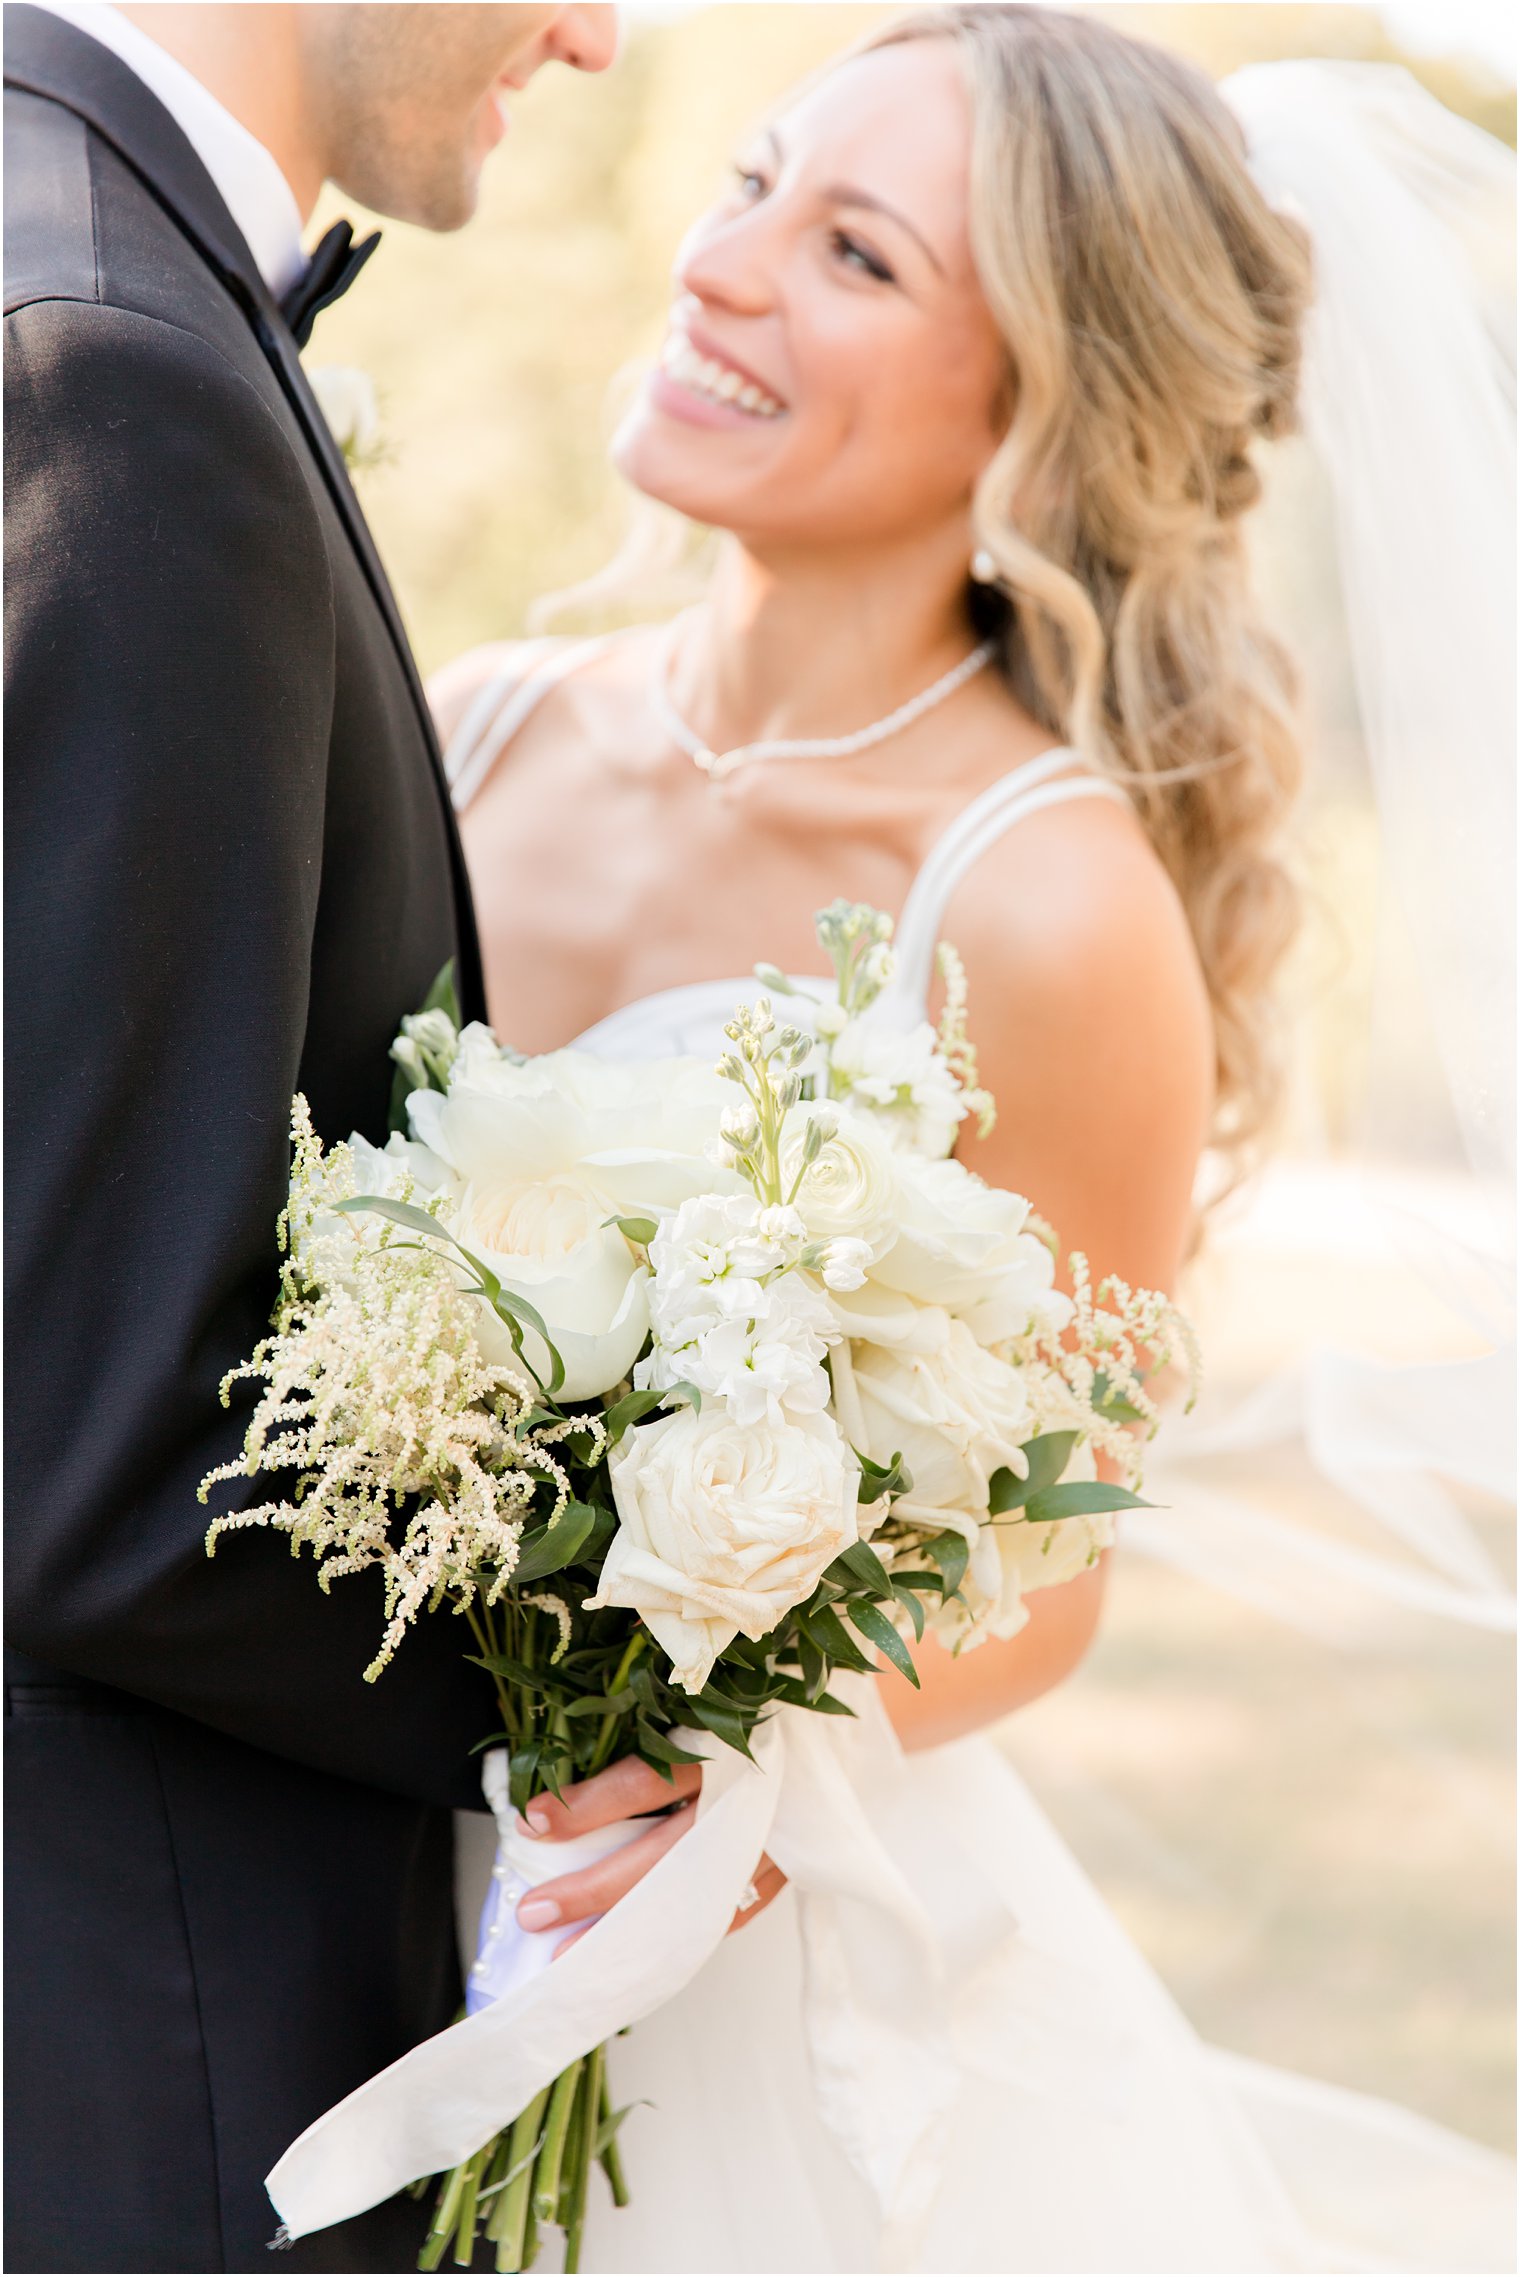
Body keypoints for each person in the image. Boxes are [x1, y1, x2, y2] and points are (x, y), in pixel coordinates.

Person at [430, 8, 1515, 2270]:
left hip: (744, 1949)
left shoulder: (1039, 904)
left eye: (853, 253)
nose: (722, 269)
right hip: (342, 1850)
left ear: (1035, 409)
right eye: (746, 192)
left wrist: (713, 1756)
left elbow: (1046, 1565)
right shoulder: (477, 731)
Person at [3, 5, 615, 2271]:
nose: (593, 35)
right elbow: (82, 1449)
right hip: (123, 2042)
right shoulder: (98, 357)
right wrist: (608, 1669)